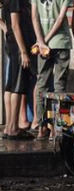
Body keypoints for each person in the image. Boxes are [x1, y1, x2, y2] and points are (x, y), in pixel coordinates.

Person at [31, 0, 72, 140]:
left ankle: (42, 128)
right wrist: (44, 41)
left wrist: (41, 41)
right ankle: (56, 129)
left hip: (43, 45)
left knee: (41, 85)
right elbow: (60, 19)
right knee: (59, 87)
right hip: (61, 42)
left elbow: (34, 16)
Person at [2, 0, 36, 140]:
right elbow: (15, 25)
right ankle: (13, 128)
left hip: (13, 45)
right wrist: (23, 51)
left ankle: (9, 127)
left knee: (10, 86)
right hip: (18, 47)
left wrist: (6, 28)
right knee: (17, 86)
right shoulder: (16, 1)